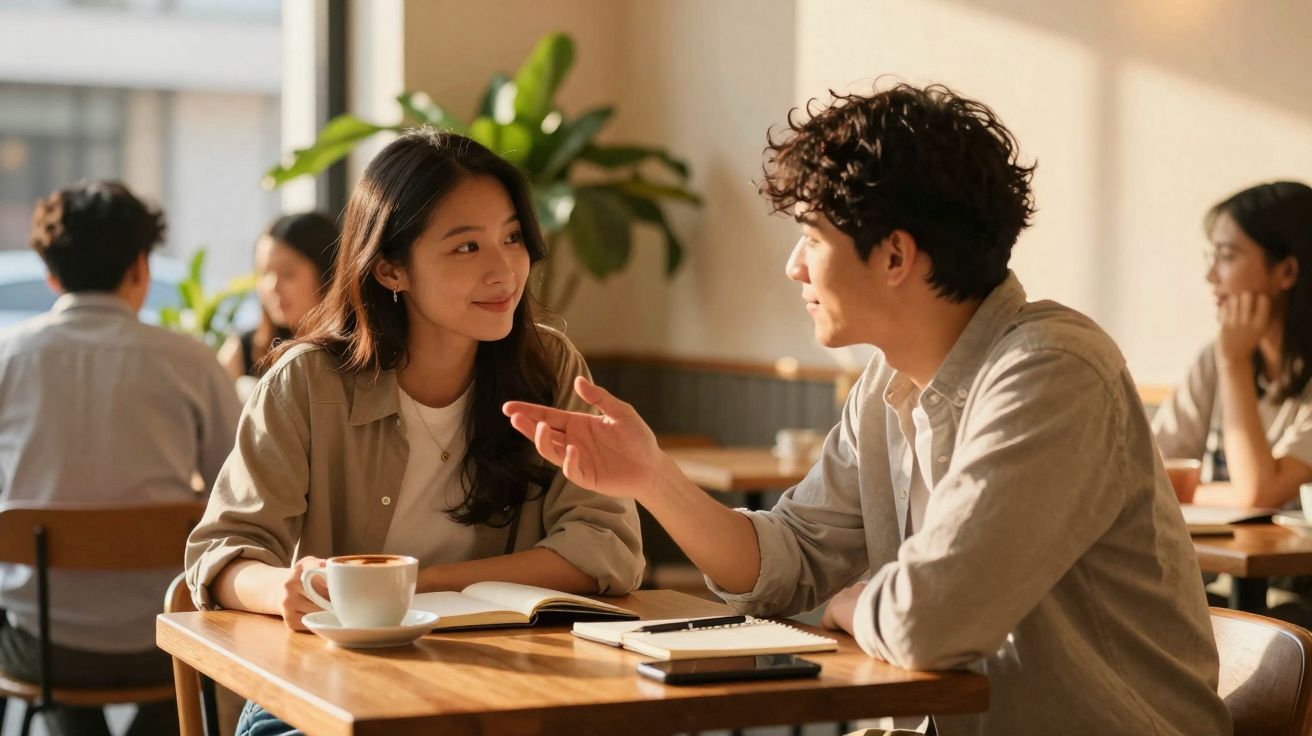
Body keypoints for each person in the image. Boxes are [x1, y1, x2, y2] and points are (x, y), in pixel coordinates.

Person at [504, 83, 1231, 735]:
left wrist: (853, 605)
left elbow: (931, 622)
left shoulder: (1052, 374)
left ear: (894, 258)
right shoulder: (888, 384)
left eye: (811, 237)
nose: (794, 266)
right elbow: (789, 565)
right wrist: (652, 479)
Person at [183, 130, 644, 735]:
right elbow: (221, 554)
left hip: (506, 685)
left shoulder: (549, 367)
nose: (503, 269)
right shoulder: (308, 381)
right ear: (391, 269)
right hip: (326, 689)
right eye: (465, 248)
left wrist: (405, 587)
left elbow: (606, 546)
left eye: (511, 238)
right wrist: (284, 588)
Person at [0, 181, 240, 736]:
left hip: (44, 646)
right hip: (161, 635)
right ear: (140, 266)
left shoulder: (9, 361)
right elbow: (235, 492)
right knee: (188, 656)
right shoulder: (193, 362)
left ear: (51, 273)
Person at [1154, 182, 1312, 509]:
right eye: (1212, 257)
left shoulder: (1228, 357)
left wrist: (1234, 363)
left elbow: (1259, 495)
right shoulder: (1215, 359)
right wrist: (1232, 495)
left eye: (1226, 256)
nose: (1211, 275)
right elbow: (1148, 477)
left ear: (1287, 271)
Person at [217, 212, 339, 381]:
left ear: (328, 275)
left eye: (287, 273)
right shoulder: (244, 350)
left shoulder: (355, 352)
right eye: (264, 273)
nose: (272, 286)